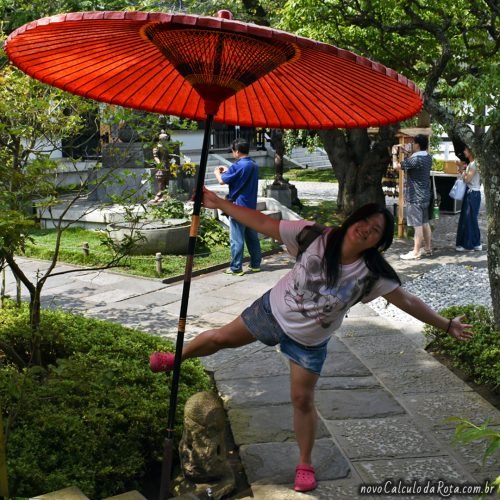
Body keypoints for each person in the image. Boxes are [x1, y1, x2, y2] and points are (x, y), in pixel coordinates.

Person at [151, 193, 474, 493]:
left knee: (301, 399)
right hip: (273, 311)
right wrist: (219, 202)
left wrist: (446, 325)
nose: (366, 230)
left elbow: (408, 301)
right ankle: (175, 358)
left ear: (380, 242)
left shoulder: (372, 273)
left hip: (309, 341)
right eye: (364, 221)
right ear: (352, 220)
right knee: (220, 338)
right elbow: (263, 222)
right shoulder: (313, 235)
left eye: (376, 230)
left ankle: (304, 464)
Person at [214, 138, 261, 275]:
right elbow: (240, 176)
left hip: (238, 207)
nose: (233, 153)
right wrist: (228, 170)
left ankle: (236, 268)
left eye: (233, 151)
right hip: (251, 206)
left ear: (237, 152)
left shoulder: (238, 165)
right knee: (252, 236)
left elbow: (222, 180)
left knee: (237, 239)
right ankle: (255, 264)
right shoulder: (254, 164)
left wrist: (218, 172)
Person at [394, 134, 433, 260]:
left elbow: (397, 166)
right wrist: (407, 153)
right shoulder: (428, 158)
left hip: (414, 197)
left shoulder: (415, 160)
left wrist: (394, 154)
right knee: (425, 223)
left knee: (418, 226)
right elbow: (412, 163)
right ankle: (427, 249)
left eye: (413, 143)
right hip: (425, 196)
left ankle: (416, 251)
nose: (411, 145)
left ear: (417, 144)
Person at [455, 146, 482, 251]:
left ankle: (469, 244)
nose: (464, 151)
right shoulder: (473, 164)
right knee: (471, 218)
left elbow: (467, 179)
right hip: (473, 193)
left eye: (466, 149)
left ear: (471, 151)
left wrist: (462, 170)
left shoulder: (473, 164)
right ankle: (475, 243)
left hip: (472, 193)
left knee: (469, 219)